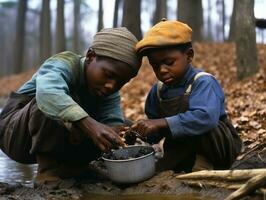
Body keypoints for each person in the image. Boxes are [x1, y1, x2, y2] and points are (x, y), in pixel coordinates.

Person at [0, 27, 141, 184]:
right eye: (108, 75)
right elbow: (48, 94)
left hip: (61, 144)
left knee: (122, 125)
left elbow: (113, 121)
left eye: (121, 82)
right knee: (54, 101)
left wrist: (117, 136)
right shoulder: (63, 63)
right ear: (90, 56)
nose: (111, 86)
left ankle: (76, 167)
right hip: (15, 136)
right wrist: (89, 125)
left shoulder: (108, 90)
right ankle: (48, 172)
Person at [132, 19, 242, 172]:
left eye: (169, 62)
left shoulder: (203, 82)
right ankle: (184, 164)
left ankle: (206, 164)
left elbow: (206, 118)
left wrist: (161, 122)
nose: (162, 70)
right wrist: (139, 132)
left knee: (204, 120)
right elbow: (155, 129)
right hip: (181, 149)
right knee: (156, 172)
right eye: (155, 66)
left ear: (189, 56)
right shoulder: (158, 91)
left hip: (216, 147)